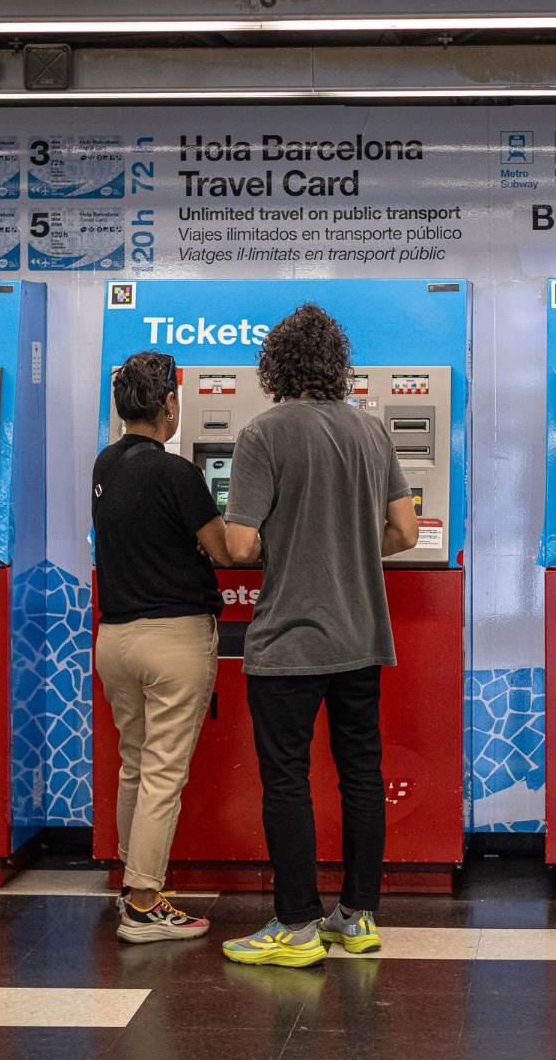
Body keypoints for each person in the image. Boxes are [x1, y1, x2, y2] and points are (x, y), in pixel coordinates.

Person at [218, 304, 418, 969]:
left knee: (289, 781)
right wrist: (350, 549)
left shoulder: (262, 433)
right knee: (362, 772)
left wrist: (289, 543)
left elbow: (241, 544)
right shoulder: (372, 431)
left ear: (275, 364)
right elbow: (406, 534)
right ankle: (356, 917)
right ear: (338, 363)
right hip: (363, 633)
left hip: (289, 641)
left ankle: (296, 928)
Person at [93, 350, 232, 942]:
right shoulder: (177, 472)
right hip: (173, 638)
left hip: (115, 638)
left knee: (135, 763)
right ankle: (146, 904)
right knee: (163, 775)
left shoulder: (106, 462)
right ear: (169, 405)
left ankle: (131, 883)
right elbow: (226, 550)